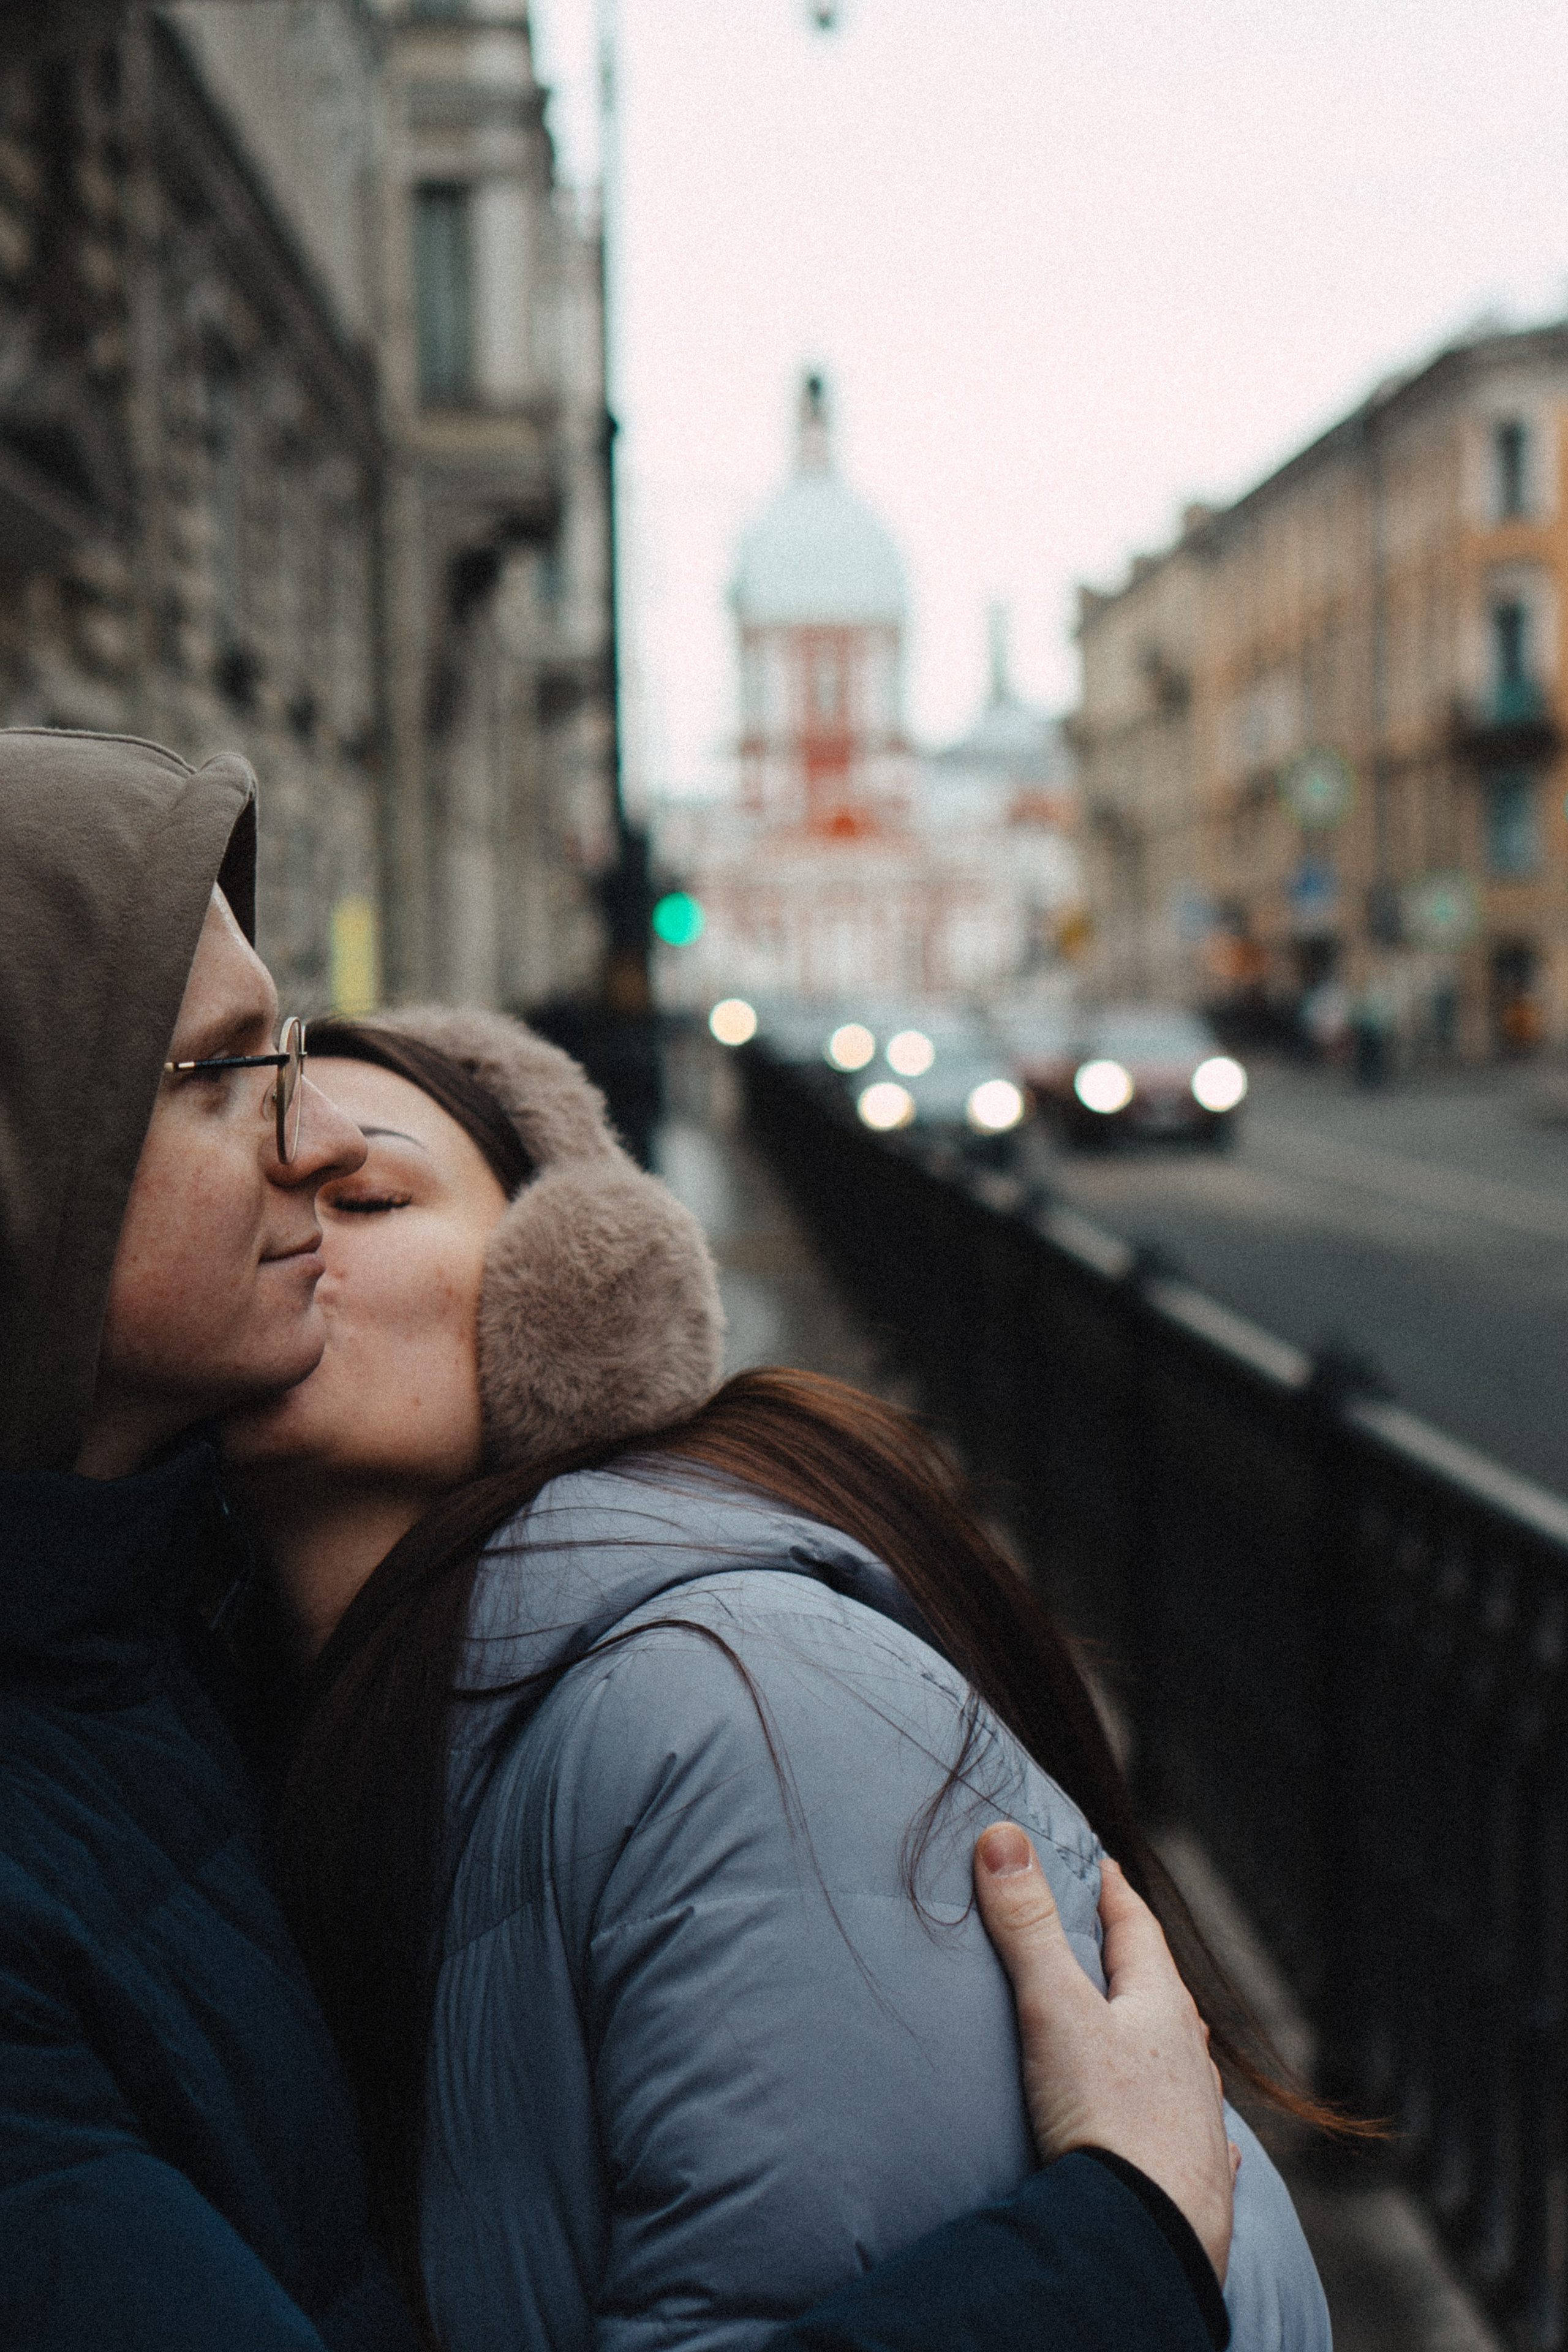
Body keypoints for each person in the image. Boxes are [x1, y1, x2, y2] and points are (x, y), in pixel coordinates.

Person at [0, 725, 1237, 2352]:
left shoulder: (702, 1694)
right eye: (227, 1073)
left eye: (378, 1195)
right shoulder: (228, 1683)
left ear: (557, 1302)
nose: (306, 1157)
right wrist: (1110, 2251)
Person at [225, 1007, 1336, 2352]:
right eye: (248, 1178)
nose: (290, 1227)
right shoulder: (265, 1731)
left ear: (570, 1296)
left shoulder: (730, 1712)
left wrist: (1113, 2240)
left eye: (368, 1194)